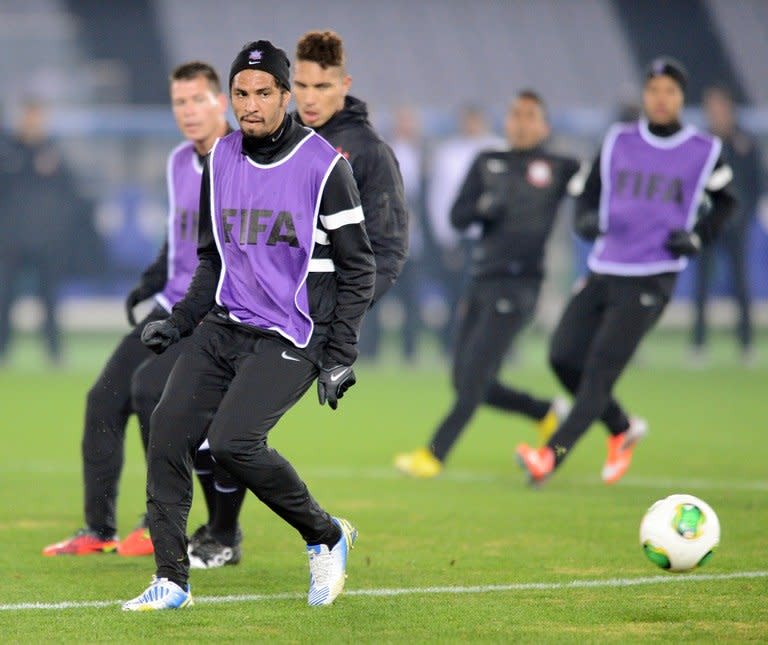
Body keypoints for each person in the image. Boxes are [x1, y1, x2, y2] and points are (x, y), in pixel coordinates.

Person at [122, 39, 375, 610]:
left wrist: (341, 354)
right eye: (241, 93)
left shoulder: (325, 167)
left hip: (293, 332)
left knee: (235, 442)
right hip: (224, 324)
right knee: (167, 431)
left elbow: (361, 267)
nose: (251, 103)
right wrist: (182, 319)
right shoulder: (221, 162)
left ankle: (325, 534)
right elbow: (212, 259)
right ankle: (171, 581)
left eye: (264, 92)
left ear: (285, 96)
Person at [186, 29, 408, 569]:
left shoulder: (360, 155)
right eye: (302, 84)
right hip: (246, 314)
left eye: (322, 85)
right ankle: (222, 530)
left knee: (233, 435)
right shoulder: (264, 142)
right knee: (202, 426)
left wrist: (335, 326)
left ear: (344, 85)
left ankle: (240, 531)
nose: (310, 96)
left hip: (306, 323)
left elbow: (384, 253)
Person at [516, 58, 736, 485]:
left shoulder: (703, 149)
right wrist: (583, 220)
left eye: (669, 91)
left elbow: (729, 201)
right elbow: (585, 192)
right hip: (605, 267)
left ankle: (550, 456)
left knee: (599, 369)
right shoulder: (618, 140)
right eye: (653, 89)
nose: (660, 98)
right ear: (644, 95)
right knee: (562, 356)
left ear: (680, 98)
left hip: (653, 275)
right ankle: (621, 427)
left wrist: (698, 236)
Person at [42, 62, 229, 556]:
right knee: (102, 399)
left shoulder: (241, 161)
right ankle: (98, 530)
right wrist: (151, 278)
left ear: (221, 103)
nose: (188, 111)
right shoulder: (174, 163)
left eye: (197, 100)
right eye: (179, 102)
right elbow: (181, 235)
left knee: (150, 392)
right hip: (170, 305)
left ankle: (158, 518)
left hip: (214, 313)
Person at [394, 91, 580, 478]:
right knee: (464, 379)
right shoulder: (488, 161)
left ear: (544, 126)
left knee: (474, 378)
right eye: (515, 114)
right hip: (480, 280)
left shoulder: (560, 166)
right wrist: (483, 210)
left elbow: (598, 192)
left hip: (521, 285)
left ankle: (434, 454)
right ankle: (543, 411)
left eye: (531, 116)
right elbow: (458, 216)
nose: (522, 122)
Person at [0, 98, 87, 365]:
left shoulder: (54, 153)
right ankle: (3, 349)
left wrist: (59, 229)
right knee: (5, 296)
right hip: (12, 238)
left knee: (49, 299)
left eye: (37, 116)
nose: (33, 122)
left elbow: (72, 195)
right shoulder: (8, 150)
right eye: (28, 115)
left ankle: (54, 352)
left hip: (47, 239)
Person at [426, 105, 506, 353]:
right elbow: (438, 198)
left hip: (494, 235)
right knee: (458, 293)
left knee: (495, 291)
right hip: (463, 236)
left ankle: (497, 345)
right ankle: (454, 344)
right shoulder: (448, 154)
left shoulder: (499, 150)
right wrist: (446, 236)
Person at [692, 84, 762, 364]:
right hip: (708, 222)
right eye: (712, 107)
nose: (716, 112)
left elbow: (757, 181)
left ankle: (745, 343)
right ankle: (698, 344)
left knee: (740, 282)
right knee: (702, 283)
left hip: (735, 222)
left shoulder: (743, 143)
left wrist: (745, 213)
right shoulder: (702, 144)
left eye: (720, 106)